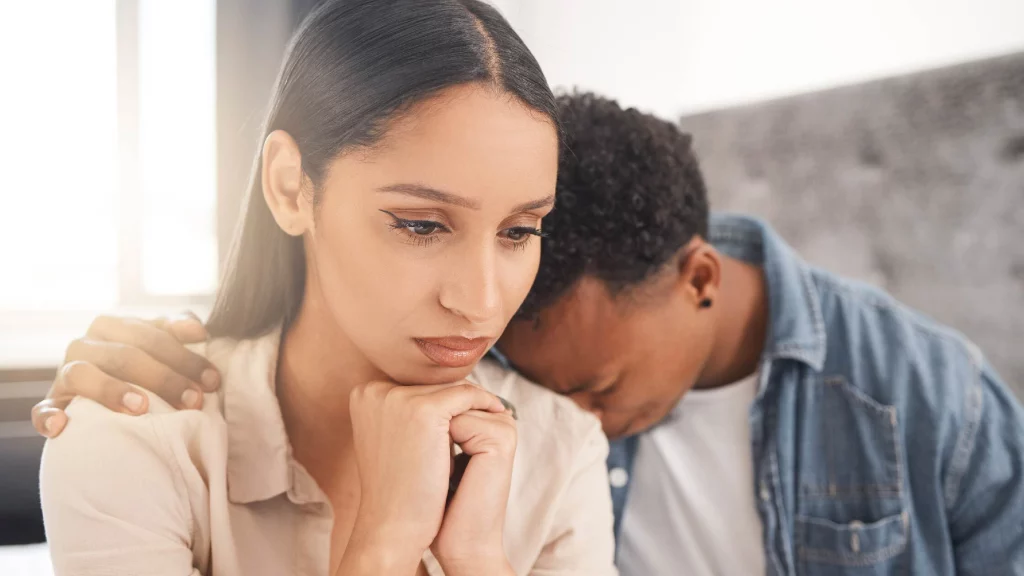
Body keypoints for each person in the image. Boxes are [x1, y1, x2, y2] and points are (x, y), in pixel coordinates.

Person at [37, 93, 1024, 575]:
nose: (561, 410)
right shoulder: (496, 367)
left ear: (700, 280)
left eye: (594, 385)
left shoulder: (927, 398)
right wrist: (173, 348)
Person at [36, 3, 618, 576]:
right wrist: (384, 546)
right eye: (420, 225)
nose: (483, 303)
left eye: (518, 231)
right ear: (291, 188)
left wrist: (477, 561)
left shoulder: (560, 452)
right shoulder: (130, 444)